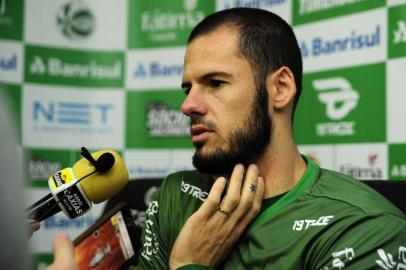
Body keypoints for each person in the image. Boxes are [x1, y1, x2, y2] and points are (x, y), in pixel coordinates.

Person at [136, 7, 406, 270]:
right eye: (188, 88)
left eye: (216, 82)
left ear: (280, 89)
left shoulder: (364, 228)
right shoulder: (176, 194)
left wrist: (188, 264)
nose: (187, 105)